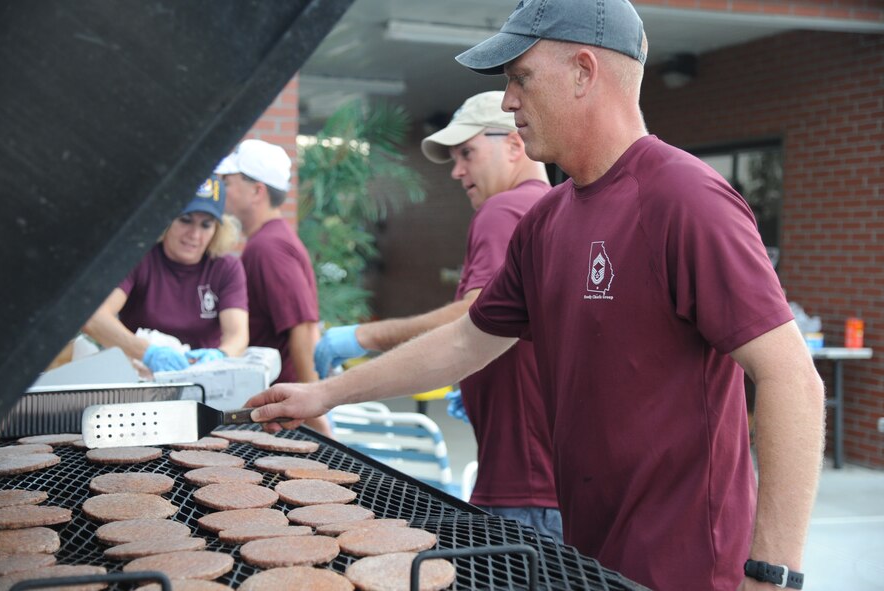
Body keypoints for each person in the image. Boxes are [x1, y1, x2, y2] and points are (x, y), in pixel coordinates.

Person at [244, 0, 826, 589]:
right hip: (588, 557)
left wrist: (772, 572)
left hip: (687, 569)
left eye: (520, 77)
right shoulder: (546, 221)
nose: (507, 101)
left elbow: (792, 381)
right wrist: (326, 392)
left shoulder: (685, 197)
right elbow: (467, 341)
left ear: (583, 71)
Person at [313, 91, 562, 540]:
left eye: (467, 153)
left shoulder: (503, 209)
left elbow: (474, 315)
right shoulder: (552, 209)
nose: (457, 170)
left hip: (522, 484)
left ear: (514, 144)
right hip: (549, 479)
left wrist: (362, 338)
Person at [216, 139, 333, 438]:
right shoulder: (268, 240)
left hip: (285, 415)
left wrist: (316, 416)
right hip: (281, 409)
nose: (223, 189)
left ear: (257, 190)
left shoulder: (269, 248)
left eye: (229, 181)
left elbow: (304, 328)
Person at [84, 175, 248, 372]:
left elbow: (237, 335)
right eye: (185, 220)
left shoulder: (225, 267)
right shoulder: (139, 258)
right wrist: (147, 353)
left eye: (206, 224)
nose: (195, 235)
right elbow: (93, 318)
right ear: (166, 220)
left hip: (203, 381)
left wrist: (220, 355)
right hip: (139, 380)